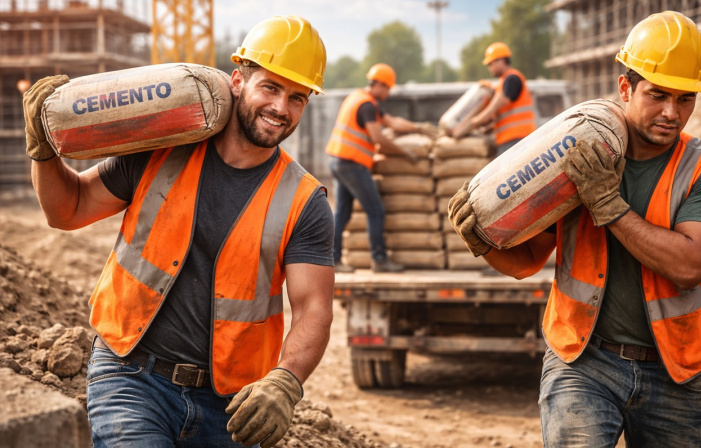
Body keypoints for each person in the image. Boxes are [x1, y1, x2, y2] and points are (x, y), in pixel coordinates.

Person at [23, 15, 334, 448]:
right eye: (270, 87)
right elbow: (68, 210)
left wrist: (286, 380)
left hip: (230, 406)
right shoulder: (162, 151)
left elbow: (314, 307)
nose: (281, 108)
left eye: (297, 97)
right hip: (131, 376)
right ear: (238, 81)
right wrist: (43, 152)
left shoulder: (304, 201)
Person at [448, 11, 701, 447]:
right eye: (658, 94)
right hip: (584, 361)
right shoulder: (579, 157)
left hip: (676, 369)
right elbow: (525, 262)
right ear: (625, 87)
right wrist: (482, 241)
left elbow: (690, 265)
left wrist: (609, 205)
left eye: (685, 99)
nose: (671, 112)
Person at [326, 63, 421, 273]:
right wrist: (404, 153)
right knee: (376, 210)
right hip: (352, 164)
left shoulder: (358, 98)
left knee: (342, 213)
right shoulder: (367, 105)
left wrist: (416, 128)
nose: (388, 93)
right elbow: (378, 138)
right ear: (379, 85)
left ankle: (333, 260)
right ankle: (379, 260)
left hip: (338, 161)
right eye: (387, 89)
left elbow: (392, 122)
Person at [452, 42, 536, 157]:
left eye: (490, 64)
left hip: (515, 139)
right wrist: (488, 127)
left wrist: (469, 125)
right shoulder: (504, 81)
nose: (489, 68)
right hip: (513, 139)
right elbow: (504, 115)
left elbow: (491, 110)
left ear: (500, 61)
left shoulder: (512, 79)